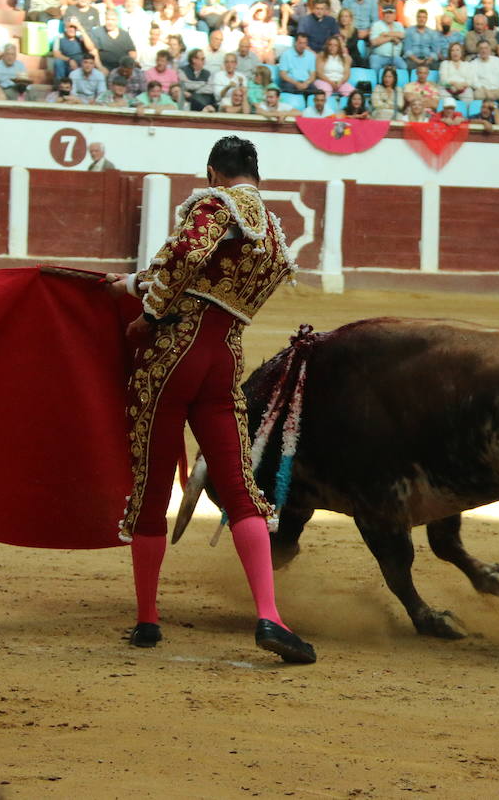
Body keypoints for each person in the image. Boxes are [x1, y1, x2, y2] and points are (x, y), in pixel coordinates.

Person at [103, 137, 315, 662]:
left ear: (213, 173)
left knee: (152, 486)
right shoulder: (271, 230)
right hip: (224, 355)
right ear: (256, 174)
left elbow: (183, 256)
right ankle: (269, 614)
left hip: (174, 351)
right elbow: (204, 278)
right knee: (240, 486)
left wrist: (148, 311)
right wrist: (132, 284)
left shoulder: (213, 205)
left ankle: (148, 621)